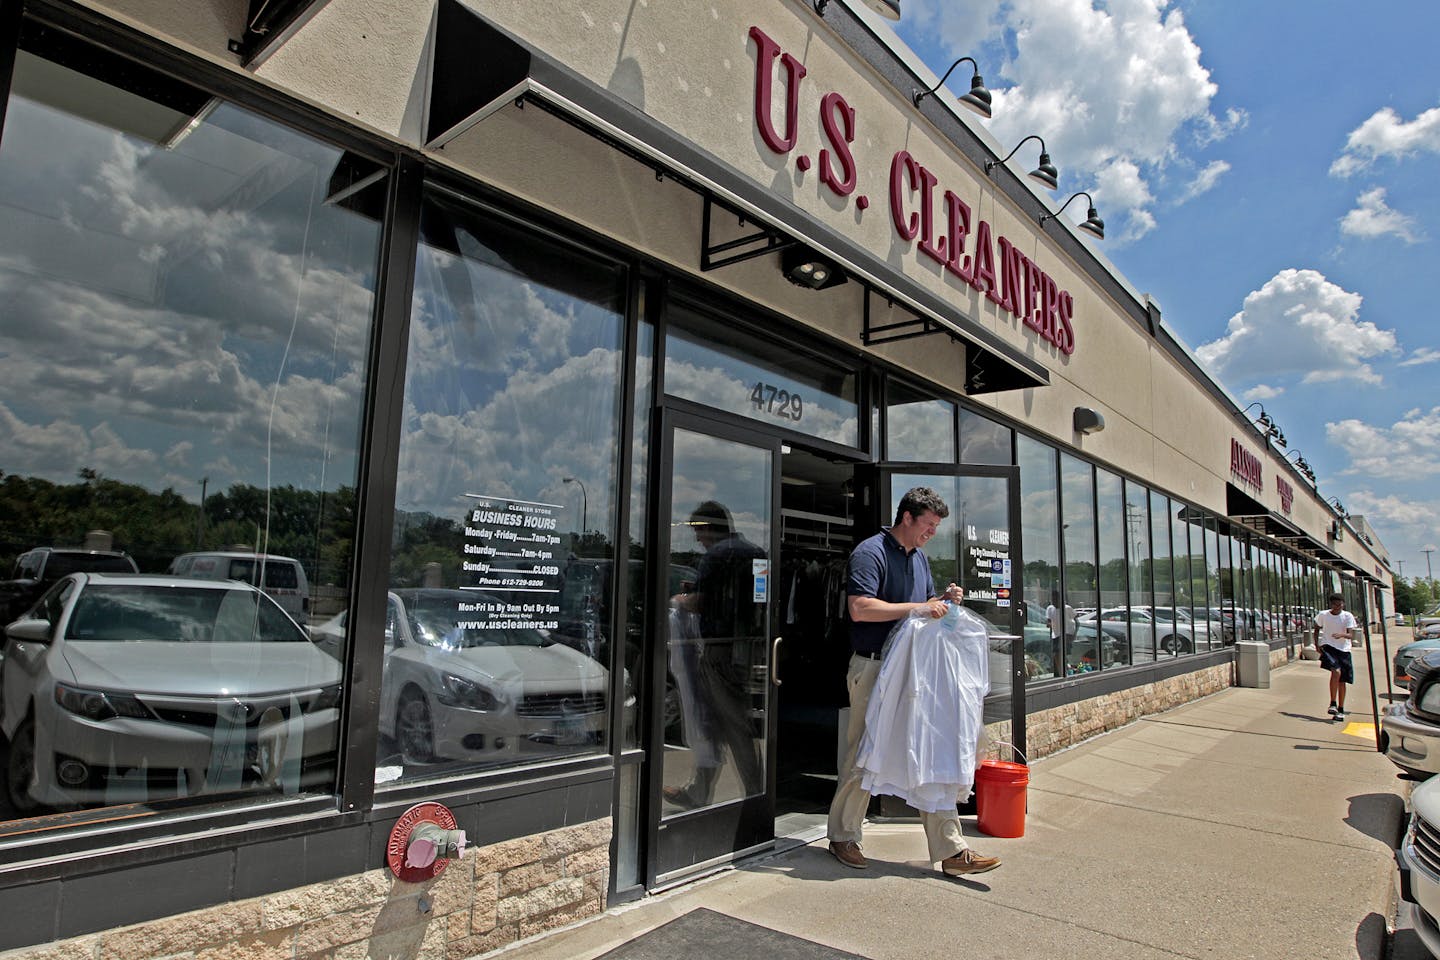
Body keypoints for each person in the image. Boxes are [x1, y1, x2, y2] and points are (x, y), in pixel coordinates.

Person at [826, 486, 1001, 877]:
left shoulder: (919, 558)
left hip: (911, 669)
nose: (932, 533)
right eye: (929, 524)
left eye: (937, 526)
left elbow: (919, 614)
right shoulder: (870, 553)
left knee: (929, 748)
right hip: (873, 667)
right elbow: (861, 609)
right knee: (865, 752)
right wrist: (922, 606)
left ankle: (952, 849)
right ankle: (842, 835)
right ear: (907, 517)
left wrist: (943, 601)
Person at [663, 501, 766, 808]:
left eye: (698, 532)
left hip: (720, 650)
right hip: (748, 647)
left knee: (732, 724)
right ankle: (699, 789)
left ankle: (755, 795)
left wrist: (680, 600)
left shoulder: (715, 557)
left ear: (709, 528)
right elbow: (761, 599)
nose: (697, 540)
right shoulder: (757, 553)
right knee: (716, 721)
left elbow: (704, 602)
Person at [1314, 593, 1357, 721]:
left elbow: (1351, 635)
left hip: (1343, 649)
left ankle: (1341, 708)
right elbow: (1316, 628)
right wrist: (1317, 644)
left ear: (1343, 604)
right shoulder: (1323, 615)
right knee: (1336, 672)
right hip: (1328, 647)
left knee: (1342, 681)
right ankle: (1332, 703)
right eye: (1334, 604)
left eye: (1339, 604)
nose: (1337, 607)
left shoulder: (1347, 616)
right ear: (1331, 605)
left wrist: (1342, 635)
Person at [1045, 589, 1076, 676]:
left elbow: (1076, 621)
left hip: (1067, 633)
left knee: (1061, 652)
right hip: (1056, 634)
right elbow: (1048, 620)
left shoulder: (1067, 608)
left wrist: (1074, 634)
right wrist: (1049, 624)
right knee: (1056, 654)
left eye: (1056, 599)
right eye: (1052, 599)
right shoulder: (1050, 609)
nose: (1054, 601)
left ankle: (1064, 671)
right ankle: (1063, 671)